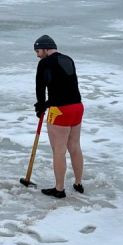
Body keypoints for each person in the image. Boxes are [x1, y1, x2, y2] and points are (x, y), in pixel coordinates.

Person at [34, 34, 84, 199]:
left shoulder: (44, 63)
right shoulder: (68, 59)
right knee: (75, 146)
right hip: (77, 107)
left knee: (59, 150)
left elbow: (40, 88)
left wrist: (41, 106)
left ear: (45, 49)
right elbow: (66, 85)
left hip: (60, 111)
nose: (37, 55)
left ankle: (59, 189)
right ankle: (78, 183)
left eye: (38, 51)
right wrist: (47, 103)